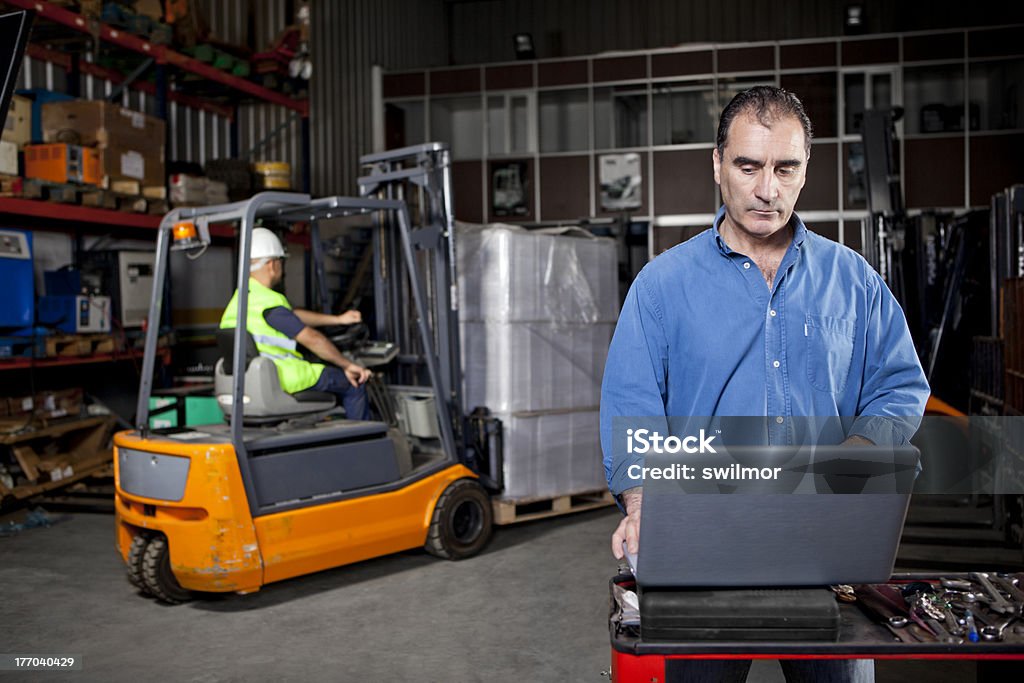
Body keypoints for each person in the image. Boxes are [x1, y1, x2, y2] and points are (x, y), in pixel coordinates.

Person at [599, 86, 929, 683]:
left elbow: (900, 385)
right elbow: (634, 407)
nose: (767, 189)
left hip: (826, 549)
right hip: (701, 545)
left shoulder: (853, 281)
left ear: (807, 169)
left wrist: (857, 458)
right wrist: (644, 503)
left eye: (786, 168)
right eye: (748, 166)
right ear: (718, 164)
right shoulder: (661, 288)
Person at [219, 227, 373, 420]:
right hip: (284, 377)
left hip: (249, 382)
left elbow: (292, 317)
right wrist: (348, 365)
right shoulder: (269, 304)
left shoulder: (242, 300)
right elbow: (313, 339)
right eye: (281, 262)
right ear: (272, 265)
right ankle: (360, 444)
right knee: (354, 384)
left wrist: (338, 319)